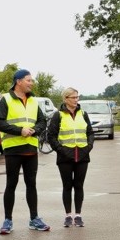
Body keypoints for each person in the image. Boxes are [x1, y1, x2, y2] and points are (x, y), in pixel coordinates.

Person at [0, 69, 50, 234]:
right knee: (11, 184)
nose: (31, 83)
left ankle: (34, 219)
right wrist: (20, 131)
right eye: (28, 80)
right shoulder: (6, 99)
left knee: (31, 184)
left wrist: (34, 130)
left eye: (31, 80)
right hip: (13, 149)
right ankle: (7, 221)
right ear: (18, 81)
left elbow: (42, 121)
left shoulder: (33, 101)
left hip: (30, 149)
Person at [47, 87, 95, 227]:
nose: (76, 100)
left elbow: (90, 133)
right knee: (67, 186)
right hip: (65, 157)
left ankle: (78, 215)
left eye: (77, 97)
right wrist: (61, 150)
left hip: (82, 156)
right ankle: (68, 215)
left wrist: (88, 147)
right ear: (66, 99)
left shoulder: (83, 114)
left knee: (79, 186)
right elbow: (51, 136)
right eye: (73, 97)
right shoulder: (58, 115)